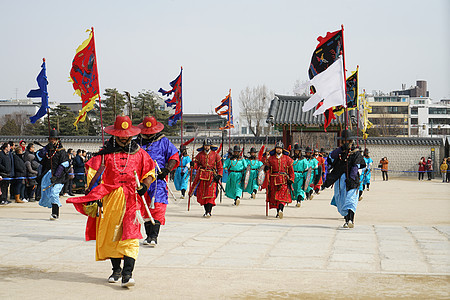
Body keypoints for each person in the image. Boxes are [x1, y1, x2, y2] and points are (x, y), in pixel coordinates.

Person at [67, 115, 156, 288]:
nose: (124, 138)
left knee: (131, 235)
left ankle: (128, 274)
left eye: (126, 135)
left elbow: (150, 171)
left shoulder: (140, 154)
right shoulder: (104, 154)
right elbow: (92, 175)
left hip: (132, 199)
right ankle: (116, 270)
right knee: (112, 235)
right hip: (110, 198)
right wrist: (95, 197)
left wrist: (145, 185)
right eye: (120, 135)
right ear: (115, 134)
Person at [135, 116, 179, 247]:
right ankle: (148, 236)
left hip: (157, 178)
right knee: (143, 206)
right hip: (140, 179)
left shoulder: (163, 141)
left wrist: (167, 169)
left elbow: (174, 156)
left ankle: (154, 236)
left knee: (158, 206)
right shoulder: (136, 142)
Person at [323, 130, 366, 228]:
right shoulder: (338, 153)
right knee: (341, 201)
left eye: (348, 141)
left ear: (351, 141)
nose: (346, 143)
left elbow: (356, 166)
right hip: (339, 180)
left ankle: (351, 220)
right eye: (344, 141)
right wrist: (340, 149)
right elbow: (330, 158)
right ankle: (347, 220)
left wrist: (351, 177)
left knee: (350, 200)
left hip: (352, 180)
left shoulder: (355, 153)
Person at [36, 129, 69, 220]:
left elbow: (64, 164)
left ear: (57, 140)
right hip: (47, 175)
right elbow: (38, 156)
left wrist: (56, 176)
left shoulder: (61, 151)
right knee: (48, 193)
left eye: (54, 139)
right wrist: (46, 148)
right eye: (50, 139)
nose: (52, 140)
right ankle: (53, 211)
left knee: (54, 193)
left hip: (59, 176)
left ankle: (55, 213)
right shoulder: (47, 150)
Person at [189, 138, 223, 218]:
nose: (207, 147)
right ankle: (205, 211)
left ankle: (209, 211)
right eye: (205, 146)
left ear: (210, 146)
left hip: (211, 176)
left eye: (208, 146)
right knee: (203, 194)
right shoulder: (200, 155)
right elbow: (196, 165)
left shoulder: (215, 155)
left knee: (211, 194)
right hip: (202, 176)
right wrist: (193, 164)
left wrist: (219, 175)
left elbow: (220, 167)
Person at [264, 141, 294, 219]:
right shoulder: (270, 158)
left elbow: (291, 170)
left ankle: (281, 210)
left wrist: (291, 178)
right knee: (275, 197)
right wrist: (266, 168)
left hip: (284, 180)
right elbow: (267, 169)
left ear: (282, 149)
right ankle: (278, 212)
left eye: (280, 148)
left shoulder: (287, 158)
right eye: (277, 148)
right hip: (273, 179)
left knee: (282, 196)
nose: (278, 150)